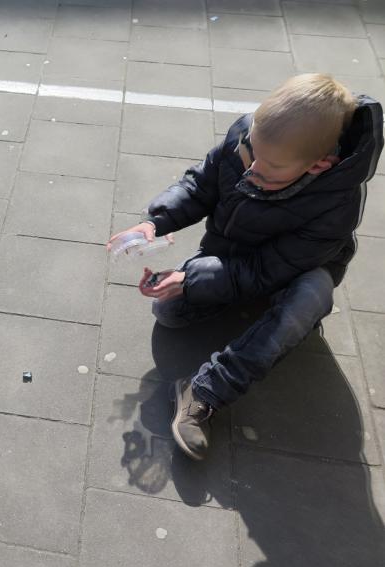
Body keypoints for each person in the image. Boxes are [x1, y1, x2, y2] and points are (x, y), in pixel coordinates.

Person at [107, 74, 383, 461]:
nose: (251, 172)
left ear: (320, 165)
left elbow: (269, 269)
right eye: (247, 155)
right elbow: (201, 184)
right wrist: (155, 222)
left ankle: (204, 392)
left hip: (290, 272)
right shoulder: (251, 137)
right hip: (232, 256)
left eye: (267, 171)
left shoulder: (337, 205)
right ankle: (267, 320)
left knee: (309, 298)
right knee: (168, 312)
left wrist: (192, 278)